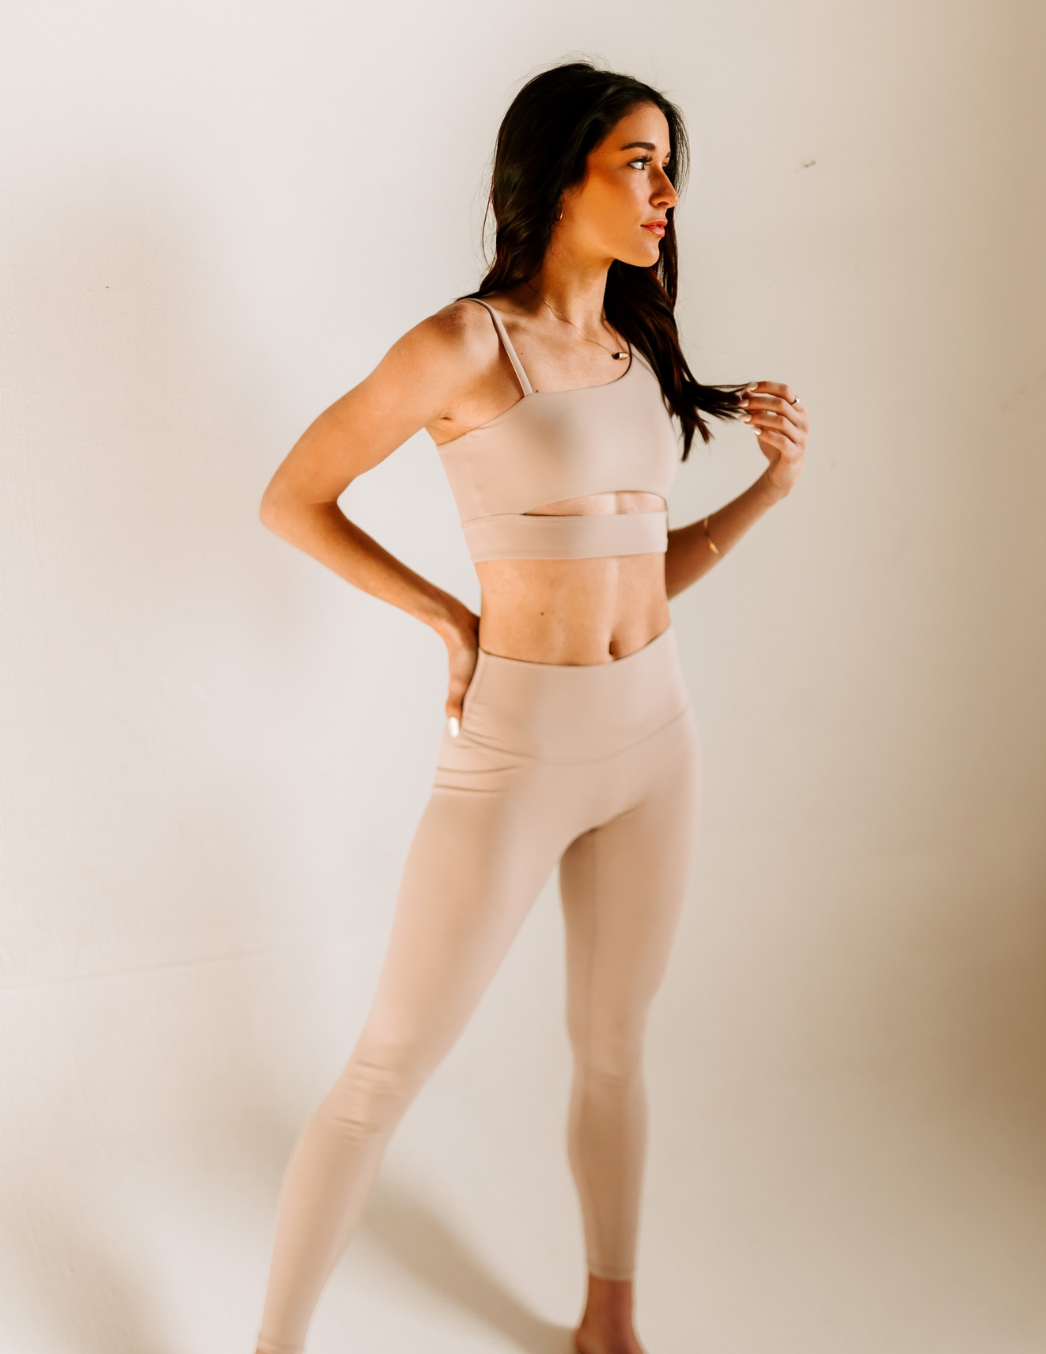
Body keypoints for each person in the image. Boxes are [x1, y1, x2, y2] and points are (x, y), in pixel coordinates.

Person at [253, 60, 808, 1354]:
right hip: (521, 749)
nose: (667, 193)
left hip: (656, 739)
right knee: (383, 1072)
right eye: (639, 162)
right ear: (558, 173)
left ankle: (608, 1322)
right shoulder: (464, 345)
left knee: (614, 1048)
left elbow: (641, 572)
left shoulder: (634, 349)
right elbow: (292, 499)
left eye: (671, 167)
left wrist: (768, 492)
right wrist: (449, 619)